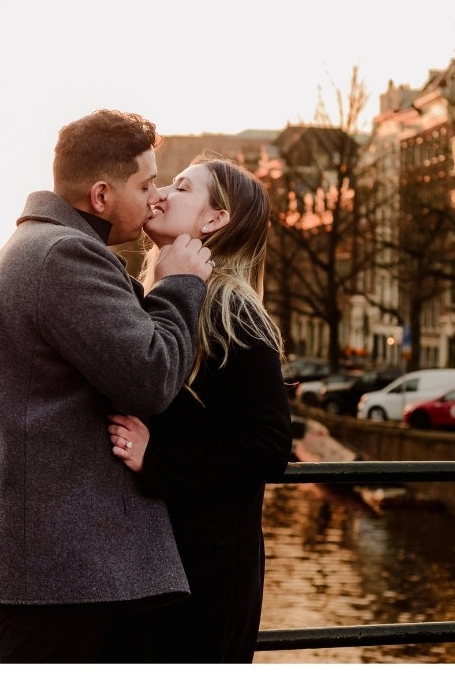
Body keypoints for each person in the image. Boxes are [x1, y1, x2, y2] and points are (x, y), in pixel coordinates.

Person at [0, 110, 215, 663]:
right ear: (100, 195)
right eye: (144, 185)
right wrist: (180, 285)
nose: (153, 198)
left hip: (34, 558)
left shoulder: (23, 249)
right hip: (61, 569)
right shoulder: (65, 255)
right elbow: (151, 378)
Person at [107, 155, 293, 663]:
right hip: (164, 560)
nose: (162, 192)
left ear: (214, 220)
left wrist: (157, 461)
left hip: (204, 573)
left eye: (182, 188)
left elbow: (270, 444)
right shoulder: (163, 295)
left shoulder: (232, 309)